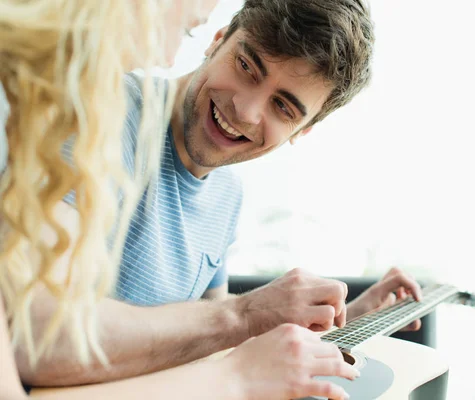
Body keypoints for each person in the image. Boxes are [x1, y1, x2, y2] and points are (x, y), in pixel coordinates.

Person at [21, 0, 425, 389]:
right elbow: (37, 336)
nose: (245, 110)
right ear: (217, 40)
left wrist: (345, 317)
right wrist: (243, 314)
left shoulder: (226, 196)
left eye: (283, 107)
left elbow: (212, 336)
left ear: (304, 130)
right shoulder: (102, 113)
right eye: (247, 66)